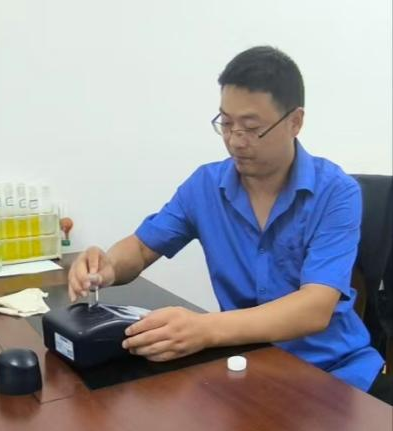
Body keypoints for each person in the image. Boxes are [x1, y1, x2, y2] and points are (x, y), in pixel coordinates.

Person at [68, 46, 390, 403]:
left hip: (336, 373)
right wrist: (108, 266)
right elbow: (142, 248)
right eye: (225, 123)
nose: (235, 140)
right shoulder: (205, 186)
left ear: (295, 122)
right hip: (245, 366)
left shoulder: (336, 192)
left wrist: (204, 329)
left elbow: (315, 308)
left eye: (252, 128)